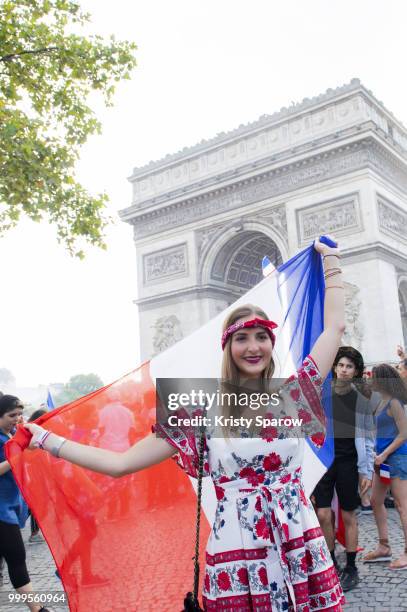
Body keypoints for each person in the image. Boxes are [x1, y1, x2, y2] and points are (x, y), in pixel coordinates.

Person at [24, 237, 345, 610]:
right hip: (237, 555)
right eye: (241, 338)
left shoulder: (295, 393)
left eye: (262, 337)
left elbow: (334, 329)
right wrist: (47, 439)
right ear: (228, 347)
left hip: (299, 544)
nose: (253, 346)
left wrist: (332, 261)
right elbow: (120, 464)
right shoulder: (200, 415)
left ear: (273, 344)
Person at [313, 346, 378, 592]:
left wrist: (366, 472)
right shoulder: (321, 394)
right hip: (324, 462)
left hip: (349, 462)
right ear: (334, 367)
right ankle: (330, 563)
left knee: (350, 515)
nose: (344, 369)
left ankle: (351, 567)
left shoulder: (361, 400)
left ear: (356, 371)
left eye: (349, 366)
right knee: (323, 515)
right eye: (340, 365)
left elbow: (368, 439)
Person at [0, 395, 51, 612]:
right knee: (17, 558)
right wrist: (17, 456)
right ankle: (38, 609)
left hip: (11, 507)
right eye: (12, 415)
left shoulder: (10, 436)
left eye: (19, 414)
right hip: (1, 511)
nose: (17, 419)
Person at [363, 364, 407, 569]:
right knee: (375, 500)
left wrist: (385, 454)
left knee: (401, 505)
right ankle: (384, 546)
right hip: (381, 460)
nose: (371, 380)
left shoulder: (395, 403)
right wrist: (374, 453)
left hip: (396, 458)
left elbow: (403, 434)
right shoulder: (380, 402)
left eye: (374, 377)